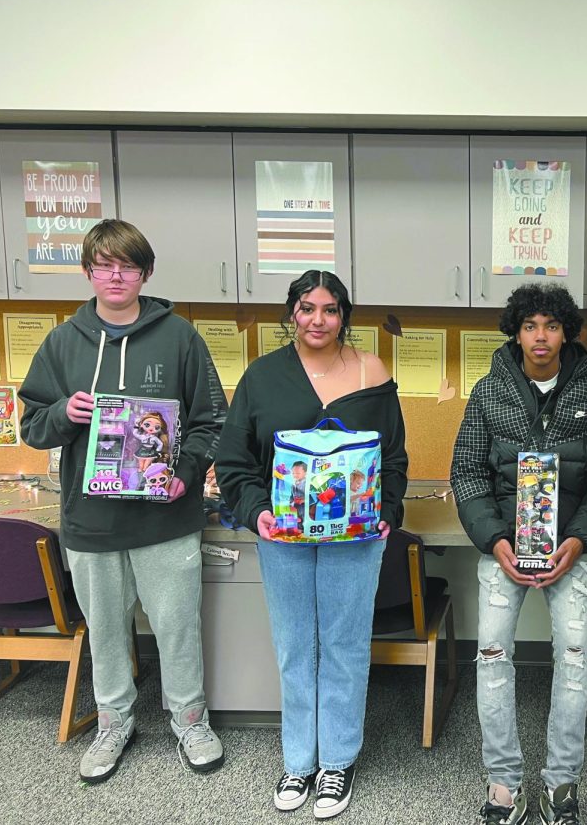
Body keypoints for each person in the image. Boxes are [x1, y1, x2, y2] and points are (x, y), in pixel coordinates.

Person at [18, 218, 227, 782]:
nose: (116, 275)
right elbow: (31, 425)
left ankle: (189, 719)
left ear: (145, 273)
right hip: (92, 522)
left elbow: (212, 419)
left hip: (166, 517)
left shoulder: (180, 336)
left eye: (127, 265)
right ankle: (114, 721)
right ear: (88, 272)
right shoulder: (62, 343)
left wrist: (186, 472)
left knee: (179, 625)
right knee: (106, 630)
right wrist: (65, 413)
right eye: (105, 265)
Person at [215, 270, 408, 820]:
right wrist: (258, 512)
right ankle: (298, 760)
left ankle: (337, 763)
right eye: (306, 308)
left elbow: (392, 457)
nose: (317, 320)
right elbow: (234, 461)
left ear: (344, 315)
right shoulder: (262, 376)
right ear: (291, 314)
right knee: (296, 647)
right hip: (285, 538)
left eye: (329, 309)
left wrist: (388, 511)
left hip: (357, 539)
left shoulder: (372, 370)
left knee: (345, 646)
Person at [451, 284, 587, 825]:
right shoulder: (488, 392)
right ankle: (505, 783)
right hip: (504, 548)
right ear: (516, 330)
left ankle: (560, 784)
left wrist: (578, 540)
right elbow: (466, 472)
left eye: (551, 326)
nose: (540, 336)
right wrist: (495, 542)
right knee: (491, 656)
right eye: (530, 325)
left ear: (566, 332)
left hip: (570, 548)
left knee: (574, 656)